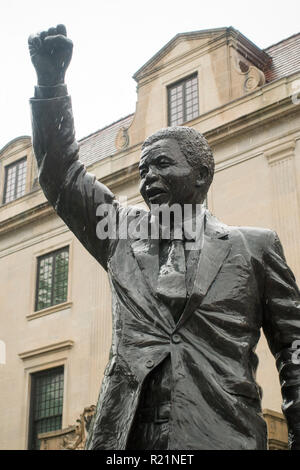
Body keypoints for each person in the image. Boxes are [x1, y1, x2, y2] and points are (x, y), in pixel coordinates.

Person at [28, 25, 300, 450]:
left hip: (222, 432)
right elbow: (61, 175)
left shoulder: (255, 248)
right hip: (125, 438)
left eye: (160, 165)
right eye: (142, 171)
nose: (147, 178)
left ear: (202, 174)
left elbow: (294, 349)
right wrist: (50, 83)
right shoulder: (119, 233)